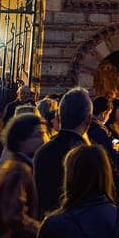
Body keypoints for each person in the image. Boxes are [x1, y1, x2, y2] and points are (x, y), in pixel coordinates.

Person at [34, 87, 92, 216]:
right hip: (78, 226)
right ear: (88, 119)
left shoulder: (44, 150)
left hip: (48, 224)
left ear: (59, 116)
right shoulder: (89, 154)